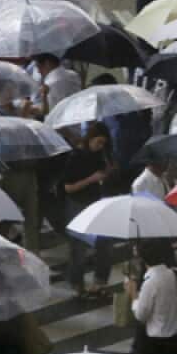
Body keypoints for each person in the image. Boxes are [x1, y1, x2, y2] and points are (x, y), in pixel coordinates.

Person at [63, 122, 116, 297]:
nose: (100, 146)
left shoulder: (102, 155)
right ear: (90, 139)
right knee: (78, 247)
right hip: (78, 203)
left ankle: (100, 281)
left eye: (103, 144)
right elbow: (68, 187)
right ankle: (77, 283)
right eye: (98, 142)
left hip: (98, 202)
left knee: (105, 244)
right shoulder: (75, 157)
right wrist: (91, 179)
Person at [129, 239, 177, 354]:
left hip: (154, 343)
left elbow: (141, 315)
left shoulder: (150, 282)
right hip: (172, 339)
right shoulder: (170, 274)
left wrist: (133, 295)